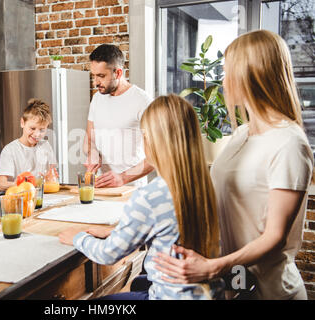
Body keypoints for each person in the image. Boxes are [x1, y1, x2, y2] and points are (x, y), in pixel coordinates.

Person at [153, 30, 314, 300]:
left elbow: (274, 237)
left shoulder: (288, 144)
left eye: (228, 72)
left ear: (252, 74)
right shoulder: (241, 134)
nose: (223, 82)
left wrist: (212, 267)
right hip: (234, 285)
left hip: (271, 292)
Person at [59, 94, 224, 300]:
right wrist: (118, 233)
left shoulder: (151, 196)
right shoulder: (205, 184)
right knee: (137, 283)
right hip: (207, 295)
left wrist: (77, 237)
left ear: (152, 140)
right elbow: (168, 233)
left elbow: (108, 254)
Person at [84, 44, 154, 188]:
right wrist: (93, 153)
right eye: (94, 76)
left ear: (118, 73)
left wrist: (122, 178)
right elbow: (90, 138)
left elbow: (158, 155)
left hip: (131, 190)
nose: (95, 82)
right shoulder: (97, 98)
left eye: (101, 76)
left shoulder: (143, 101)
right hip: (101, 187)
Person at [0, 98, 57, 191]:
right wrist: (17, 184)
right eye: (32, 128)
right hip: (19, 199)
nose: (37, 134)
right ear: (22, 123)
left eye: (42, 130)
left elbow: (52, 176)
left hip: (42, 198)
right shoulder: (10, 150)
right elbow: (1, 184)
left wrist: (51, 177)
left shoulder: (46, 146)